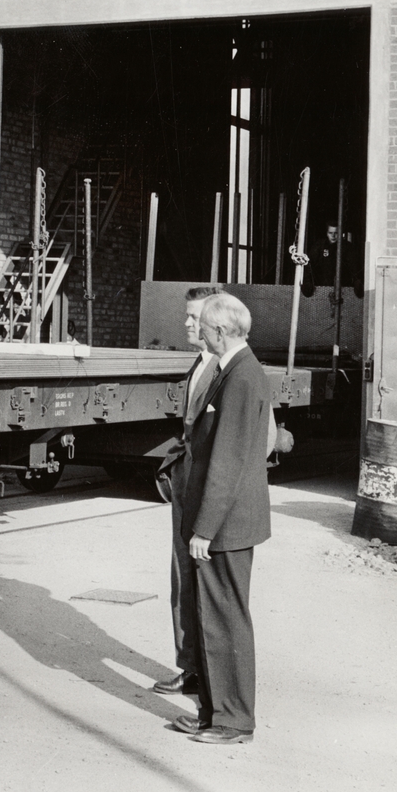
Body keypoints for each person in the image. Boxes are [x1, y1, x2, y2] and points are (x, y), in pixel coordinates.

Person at [170, 292, 271, 745]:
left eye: (206, 327)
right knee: (211, 618)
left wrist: (204, 529)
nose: (201, 333)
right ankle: (212, 713)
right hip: (224, 522)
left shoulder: (242, 377)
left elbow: (228, 461)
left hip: (227, 525)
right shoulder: (231, 370)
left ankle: (234, 721)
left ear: (222, 330)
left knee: (226, 619)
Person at [153, 286, 221, 699]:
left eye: (195, 317)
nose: (187, 324)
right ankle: (190, 667)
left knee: (205, 584)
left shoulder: (228, 370)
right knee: (182, 578)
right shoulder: (199, 364)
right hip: (186, 485)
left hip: (208, 492)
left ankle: (210, 676)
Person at [301, 223, 362, 298]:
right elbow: (308, 263)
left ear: (340, 233)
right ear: (327, 233)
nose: (333, 236)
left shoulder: (348, 247)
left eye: (336, 233)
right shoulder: (320, 246)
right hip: (320, 288)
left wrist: (357, 283)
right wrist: (307, 282)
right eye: (330, 233)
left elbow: (355, 267)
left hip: (344, 289)